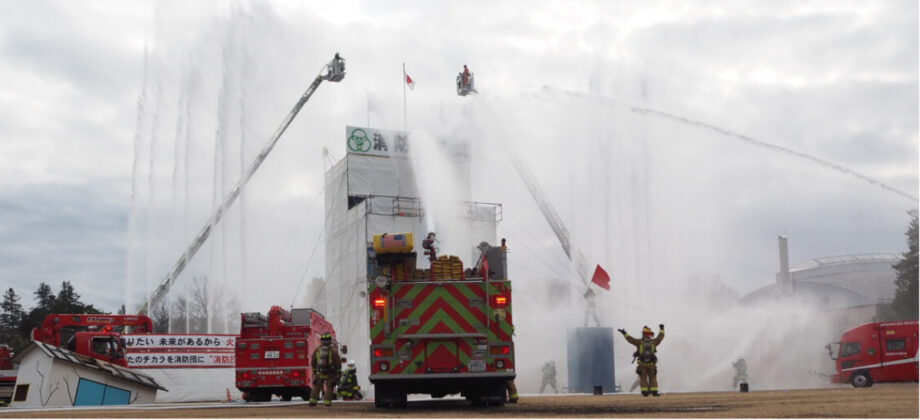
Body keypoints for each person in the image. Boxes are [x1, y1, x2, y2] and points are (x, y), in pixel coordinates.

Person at [618, 324, 665, 397]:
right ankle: (654, 392)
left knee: (643, 379)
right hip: (652, 364)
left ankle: (645, 392)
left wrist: (624, 333)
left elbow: (630, 339)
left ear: (643, 334)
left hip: (642, 364)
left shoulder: (639, 342)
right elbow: (660, 337)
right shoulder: (654, 342)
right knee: (653, 378)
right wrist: (662, 328)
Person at [309, 333, 342, 406]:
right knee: (329, 387)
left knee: (316, 387)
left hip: (319, 372)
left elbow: (313, 361)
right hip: (330, 373)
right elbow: (337, 362)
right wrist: (338, 372)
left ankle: (312, 402)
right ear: (330, 341)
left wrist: (315, 370)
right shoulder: (333, 350)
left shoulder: (317, 350)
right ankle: (327, 403)